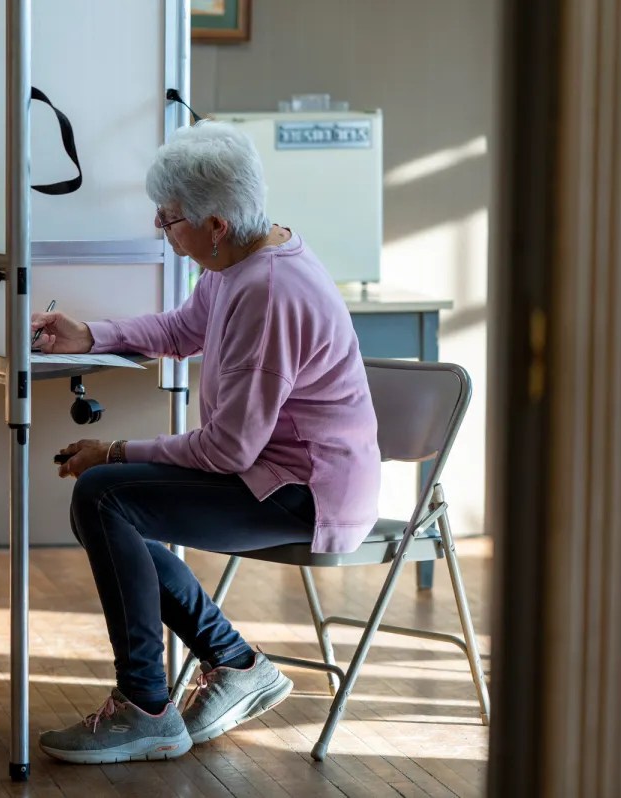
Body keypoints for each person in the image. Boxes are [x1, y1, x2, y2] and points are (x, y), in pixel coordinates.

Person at [30, 121, 381, 765]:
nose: (164, 232)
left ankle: (146, 707)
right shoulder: (240, 258)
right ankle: (232, 663)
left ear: (215, 224)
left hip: (305, 493)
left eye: (169, 221)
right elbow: (184, 327)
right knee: (107, 503)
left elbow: (226, 452)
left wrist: (115, 452)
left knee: (105, 497)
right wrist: (92, 335)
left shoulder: (268, 291)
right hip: (271, 471)